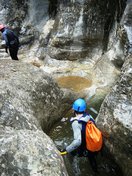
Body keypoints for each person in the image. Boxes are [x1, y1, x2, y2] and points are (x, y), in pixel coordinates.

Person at [60, 98, 100, 173]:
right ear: (84, 109)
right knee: (92, 159)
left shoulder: (76, 123)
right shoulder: (89, 116)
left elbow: (78, 141)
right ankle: (96, 172)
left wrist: (66, 150)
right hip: (93, 143)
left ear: (74, 109)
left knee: (72, 153)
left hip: (84, 147)